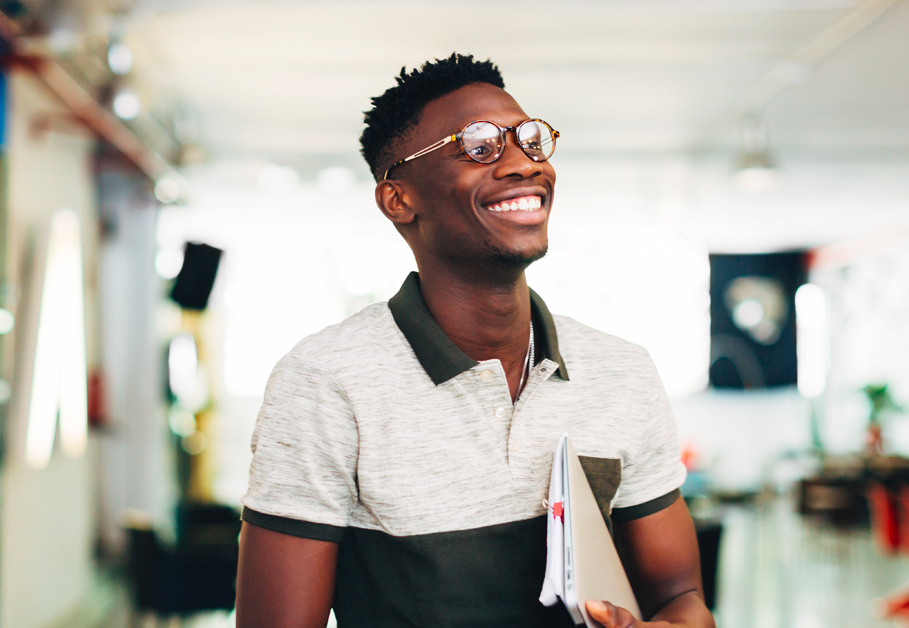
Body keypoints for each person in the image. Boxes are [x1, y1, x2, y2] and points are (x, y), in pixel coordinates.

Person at [236, 54, 713, 628]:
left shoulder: (623, 373)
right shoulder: (326, 382)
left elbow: (681, 598)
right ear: (399, 199)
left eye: (531, 140)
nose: (523, 164)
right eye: (480, 146)